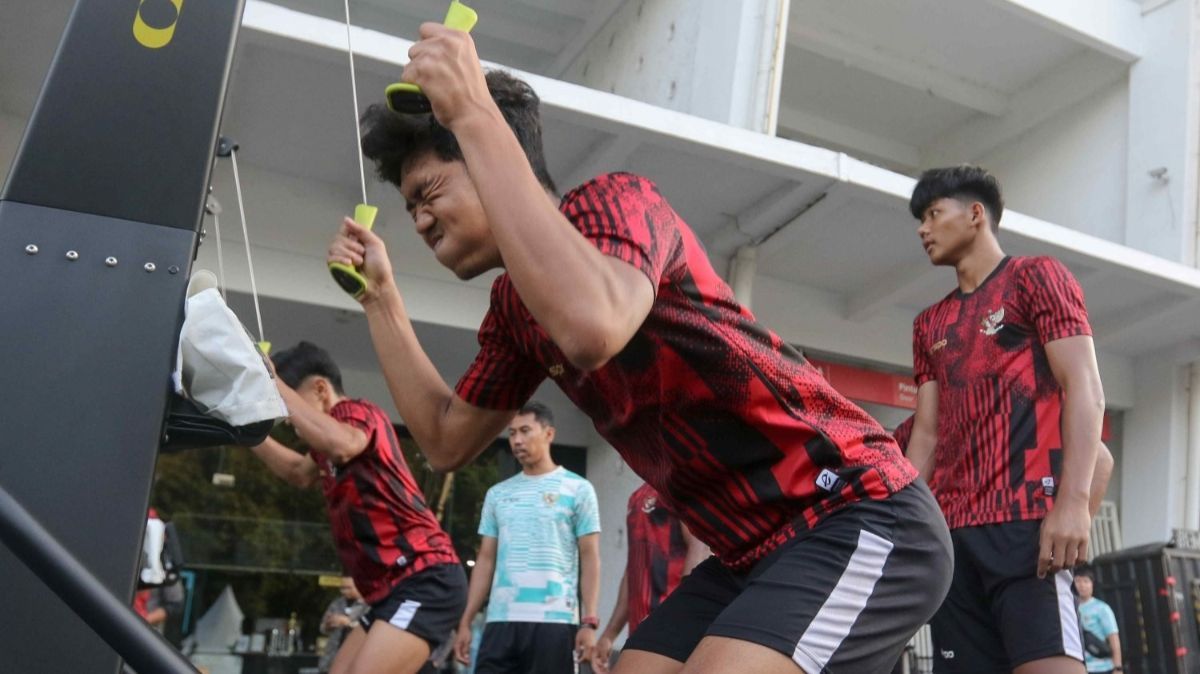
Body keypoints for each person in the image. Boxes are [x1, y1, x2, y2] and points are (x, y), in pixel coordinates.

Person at [327, 23, 952, 674]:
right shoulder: (515, 312)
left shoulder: (611, 205)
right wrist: (380, 301)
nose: (420, 220)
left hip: (858, 512)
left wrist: (470, 109)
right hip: (749, 553)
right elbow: (446, 440)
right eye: (410, 208)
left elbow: (594, 326)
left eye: (429, 194)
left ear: (492, 154)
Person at [906, 166, 1107, 674]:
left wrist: (1073, 504)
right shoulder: (928, 323)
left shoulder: (1036, 277)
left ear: (975, 215)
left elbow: (1084, 387)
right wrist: (904, 530)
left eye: (933, 214)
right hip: (951, 540)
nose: (922, 229)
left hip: (1025, 527)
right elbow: (926, 436)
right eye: (920, 220)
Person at [248, 341, 466, 674]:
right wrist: (245, 434)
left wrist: (274, 383)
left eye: (289, 401)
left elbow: (344, 444)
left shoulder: (354, 414)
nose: (288, 417)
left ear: (321, 389)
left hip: (425, 577)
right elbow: (298, 472)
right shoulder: (326, 446)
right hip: (388, 590)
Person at [450, 402, 601, 674]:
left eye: (525, 431)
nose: (517, 440)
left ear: (549, 434)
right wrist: (467, 620)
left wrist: (589, 622)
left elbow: (590, 557)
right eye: (512, 433)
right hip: (500, 619)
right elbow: (485, 560)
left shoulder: (579, 489)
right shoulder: (497, 494)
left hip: (555, 620)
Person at [591, 482, 710, 674]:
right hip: (642, 632)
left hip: (672, 633)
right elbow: (634, 568)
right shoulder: (637, 496)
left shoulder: (680, 486)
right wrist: (609, 634)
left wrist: (677, 615)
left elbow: (699, 550)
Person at [1073, 565, 1122, 674]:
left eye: (1086, 581)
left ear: (1092, 585)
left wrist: (1118, 668)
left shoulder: (1102, 608)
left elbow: (1113, 638)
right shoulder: (1071, 608)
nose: (1082, 585)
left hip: (1102, 668)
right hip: (1080, 668)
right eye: (1078, 581)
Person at [319, 577, 369, 673]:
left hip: (354, 657)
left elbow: (370, 629)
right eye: (342, 588)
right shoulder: (337, 603)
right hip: (331, 658)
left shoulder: (368, 605)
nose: (344, 591)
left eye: (348, 588)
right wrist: (328, 625)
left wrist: (347, 623)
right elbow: (322, 628)